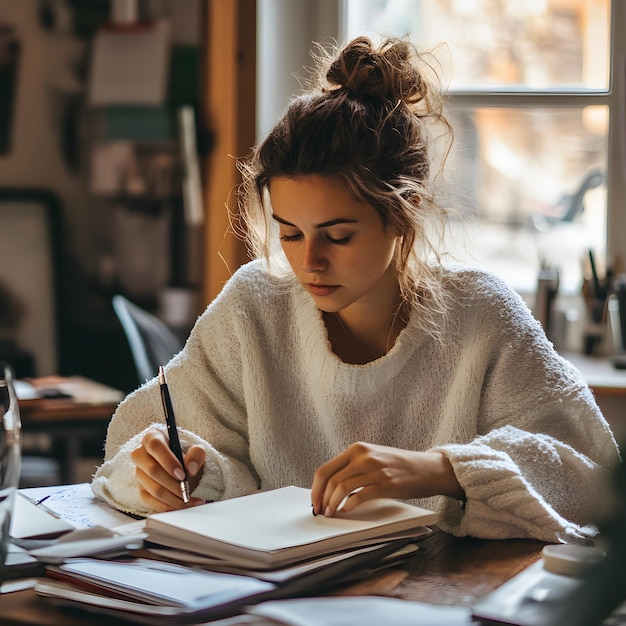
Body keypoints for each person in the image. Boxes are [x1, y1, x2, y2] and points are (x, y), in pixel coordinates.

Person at [92, 36, 620, 543]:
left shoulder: (481, 314)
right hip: (270, 598)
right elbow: (132, 449)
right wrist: (164, 472)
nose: (309, 261)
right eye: (290, 233)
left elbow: (593, 478)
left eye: (338, 235)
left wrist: (439, 470)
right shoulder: (254, 305)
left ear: (402, 214)